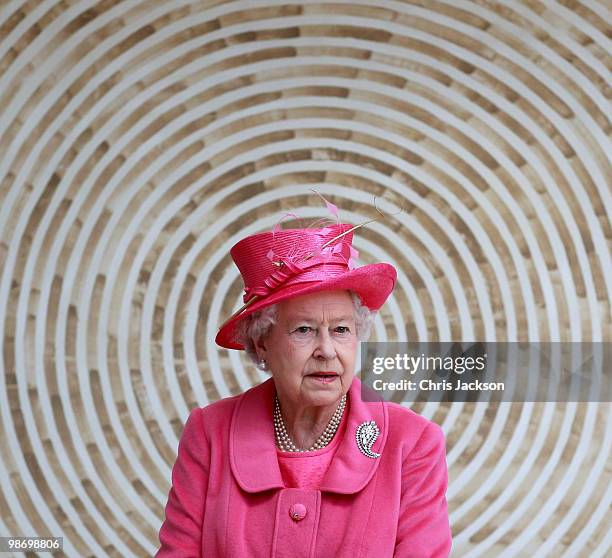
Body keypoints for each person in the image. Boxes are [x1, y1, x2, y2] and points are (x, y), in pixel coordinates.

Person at [156, 221, 452, 557]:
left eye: (341, 329)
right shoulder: (210, 434)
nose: (326, 350)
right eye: (304, 330)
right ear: (262, 343)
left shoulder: (412, 442)